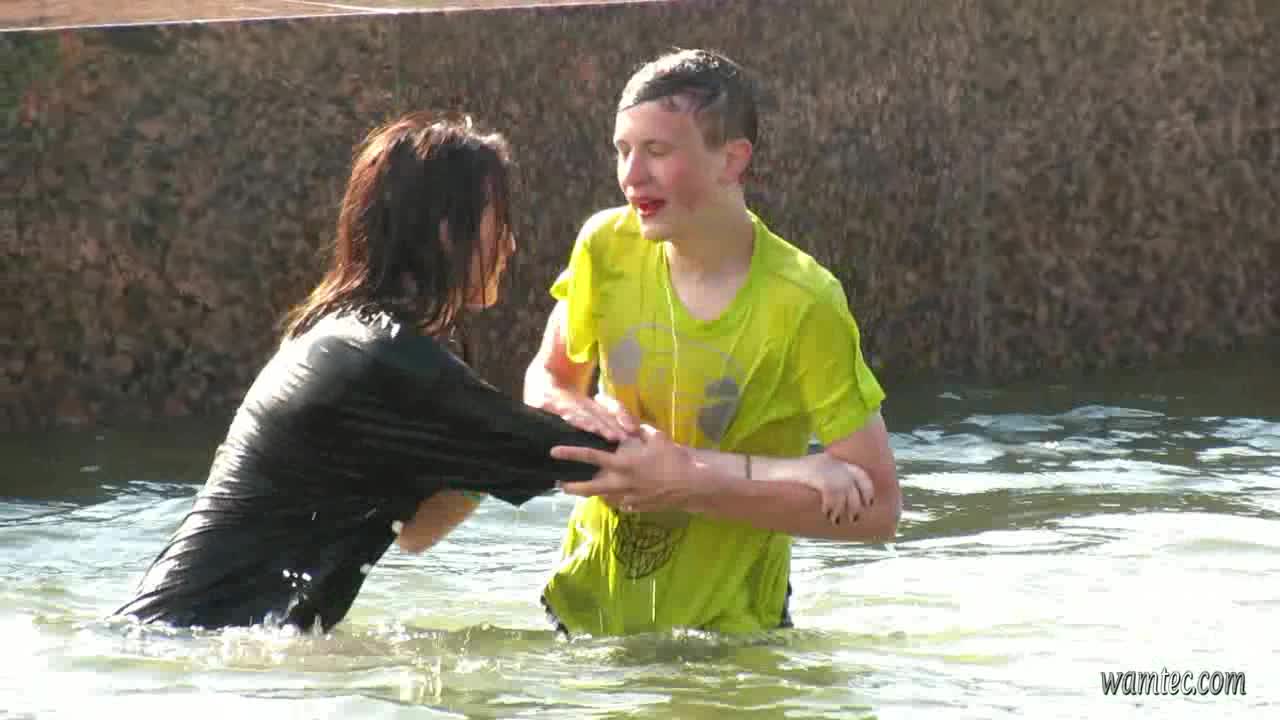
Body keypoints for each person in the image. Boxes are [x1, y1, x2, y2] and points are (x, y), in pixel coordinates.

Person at [112, 112, 624, 633]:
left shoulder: (343, 335)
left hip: (181, 643)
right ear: (446, 230)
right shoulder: (384, 362)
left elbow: (418, 533)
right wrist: (640, 426)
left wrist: (489, 452)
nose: (510, 246)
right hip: (191, 646)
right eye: (500, 222)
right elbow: (588, 458)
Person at [524, 49, 902, 636]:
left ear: (731, 159)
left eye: (657, 151)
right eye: (623, 150)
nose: (631, 176)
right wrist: (608, 434)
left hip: (729, 645)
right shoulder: (604, 246)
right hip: (581, 618)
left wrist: (693, 482)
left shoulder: (804, 302)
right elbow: (549, 380)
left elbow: (878, 509)